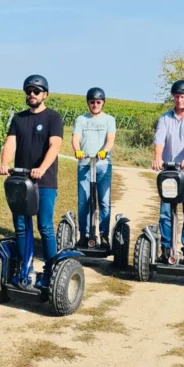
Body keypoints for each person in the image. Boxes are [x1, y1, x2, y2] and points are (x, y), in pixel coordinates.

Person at [0, 74, 63, 287]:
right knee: (22, 226)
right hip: (20, 181)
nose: (32, 95)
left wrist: (42, 168)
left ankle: (51, 271)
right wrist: (5, 163)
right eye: (29, 91)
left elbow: (55, 145)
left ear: (45, 94)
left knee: (44, 225)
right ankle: (25, 269)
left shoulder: (53, 118)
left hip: (44, 181)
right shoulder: (19, 118)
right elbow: (10, 143)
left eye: (36, 91)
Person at [152, 80, 184, 265]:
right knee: (165, 213)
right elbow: (159, 139)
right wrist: (158, 157)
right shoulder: (165, 118)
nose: (179, 100)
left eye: (182, 96)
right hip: (169, 173)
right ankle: (166, 250)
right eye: (176, 97)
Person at [72, 87, 116, 247]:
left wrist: (104, 151)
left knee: (103, 201)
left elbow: (110, 138)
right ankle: (84, 235)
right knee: (84, 201)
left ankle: (104, 235)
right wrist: (77, 150)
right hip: (84, 165)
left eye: (98, 102)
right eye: (92, 102)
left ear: (103, 102)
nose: (95, 105)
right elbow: (76, 137)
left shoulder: (109, 120)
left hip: (103, 165)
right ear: (88, 103)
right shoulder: (81, 119)